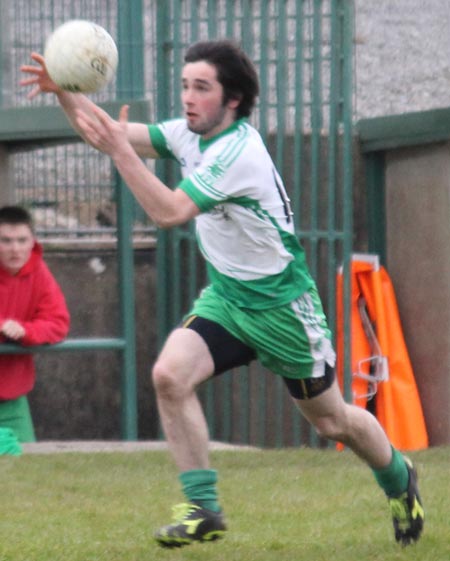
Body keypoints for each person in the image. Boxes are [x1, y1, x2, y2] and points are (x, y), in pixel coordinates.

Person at [21, 39, 424, 548]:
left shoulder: (239, 152)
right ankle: (202, 508)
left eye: (202, 88)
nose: (188, 97)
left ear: (232, 99)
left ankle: (398, 479)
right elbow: (106, 134)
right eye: (186, 85)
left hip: (283, 310)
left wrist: (121, 151)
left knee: (332, 421)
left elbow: (168, 212)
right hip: (230, 300)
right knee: (170, 375)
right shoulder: (190, 135)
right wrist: (66, 91)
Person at [0, 205, 70, 443]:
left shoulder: (38, 271)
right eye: (6, 241)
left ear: (32, 241)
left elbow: (57, 321)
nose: (15, 249)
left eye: (22, 240)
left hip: (12, 398)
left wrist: (25, 331)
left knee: (28, 467)